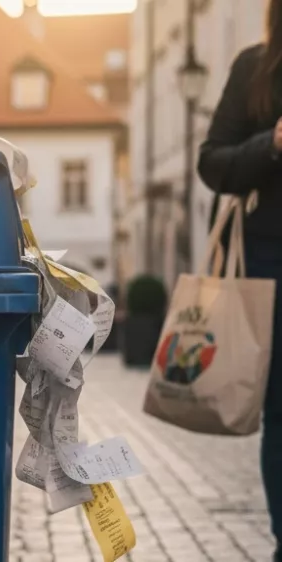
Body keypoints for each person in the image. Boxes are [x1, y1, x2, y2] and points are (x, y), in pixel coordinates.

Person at [198, 2, 282, 558]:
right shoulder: (256, 69)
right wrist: (272, 144)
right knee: (280, 410)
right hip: (270, 267)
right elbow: (212, 162)